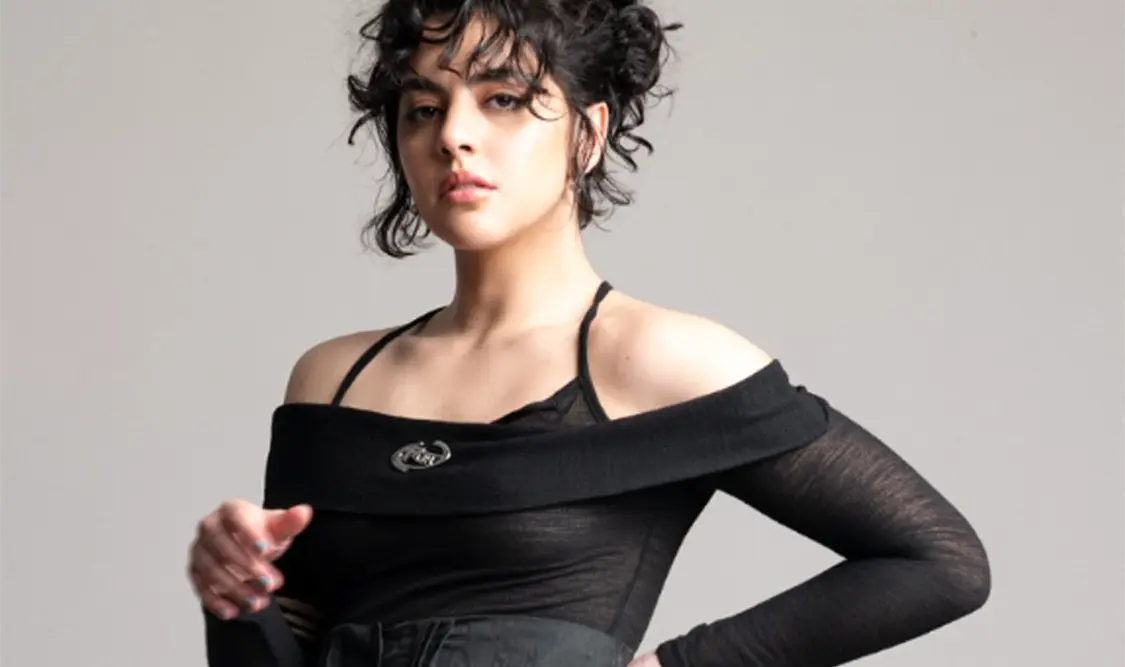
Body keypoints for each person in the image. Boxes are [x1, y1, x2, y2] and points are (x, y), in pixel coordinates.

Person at [186, 1, 992, 665]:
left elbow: (940, 561)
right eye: (424, 109)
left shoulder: (658, 359)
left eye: (502, 98)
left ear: (587, 132)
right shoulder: (333, 377)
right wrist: (234, 594)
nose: (452, 134)